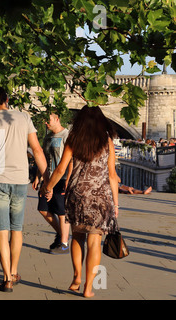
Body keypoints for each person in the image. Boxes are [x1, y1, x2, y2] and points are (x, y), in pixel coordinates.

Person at [0, 86, 49, 292]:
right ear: (7, 99)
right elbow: (37, 149)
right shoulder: (24, 118)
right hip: (19, 179)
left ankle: (6, 277)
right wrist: (47, 179)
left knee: (1, 229)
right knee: (17, 228)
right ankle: (14, 271)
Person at [42, 105, 119, 298]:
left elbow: (60, 169)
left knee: (77, 237)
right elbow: (112, 175)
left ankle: (76, 277)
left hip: (77, 194)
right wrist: (116, 204)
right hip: (101, 197)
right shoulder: (107, 141)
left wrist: (48, 187)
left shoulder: (73, 139)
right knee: (95, 241)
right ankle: (88, 287)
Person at [32, 112, 72, 254]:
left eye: (48, 120)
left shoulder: (67, 135)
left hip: (62, 178)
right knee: (43, 209)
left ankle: (64, 244)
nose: (46, 124)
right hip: (48, 178)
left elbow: (72, 159)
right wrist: (38, 176)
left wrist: (68, 179)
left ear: (57, 119)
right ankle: (62, 233)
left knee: (61, 211)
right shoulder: (48, 137)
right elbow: (42, 157)